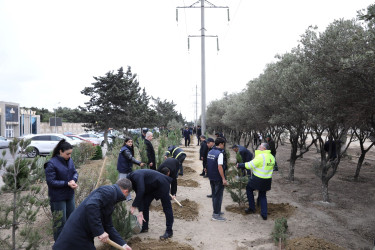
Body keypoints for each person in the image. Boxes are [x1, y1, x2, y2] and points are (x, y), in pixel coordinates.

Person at [53, 178, 133, 250]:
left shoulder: (111, 199)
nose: (126, 197)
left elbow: (108, 226)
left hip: (83, 235)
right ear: (126, 191)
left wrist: (123, 244)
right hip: (76, 233)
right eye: (127, 195)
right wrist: (100, 232)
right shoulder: (109, 191)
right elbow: (91, 205)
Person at [44, 139, 78, 241]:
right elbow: (51, 182)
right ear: (61, 152)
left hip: (69, 195)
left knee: (71, 220)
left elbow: (75, 172)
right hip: (57, 197)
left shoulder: (70, 161)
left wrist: (74, 179)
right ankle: (59, 244)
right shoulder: (51, 164)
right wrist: (66, 183)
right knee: (60, 223)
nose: (70, 156)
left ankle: (69, 242)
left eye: (71, 154)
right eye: (67, 154)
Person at [127, 169, 174, 240]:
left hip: (162, 183)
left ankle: (169, 231)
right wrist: (140, 211)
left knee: (167, 207)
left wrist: (134, 205)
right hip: (152, 188)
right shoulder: (133, 182)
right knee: (145, 203)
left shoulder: (136, 175)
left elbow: (141, 190)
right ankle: (145, 227)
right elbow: (140, 196)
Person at [237, 143, 275, 220]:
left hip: (258, 179)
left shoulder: (261, 156)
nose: (258, 148)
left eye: (260, 147)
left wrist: (240, 165)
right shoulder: (272, 157)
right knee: (263, 195)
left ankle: (252, 208)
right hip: (267, 180)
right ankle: (264, 215)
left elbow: (250, 165)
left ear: (264, 149)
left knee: (249, 189)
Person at [206, 137, 228, 221]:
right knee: (218, 196)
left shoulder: (211, 151)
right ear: (221, 144)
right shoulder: (220, 153)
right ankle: (215, 215)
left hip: (211, 177)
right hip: (218, 178)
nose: (224, 146)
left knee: (214, 195)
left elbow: (208, 164)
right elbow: (220, 167)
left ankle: (217, 210)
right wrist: (223, 178)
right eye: (224, 144)